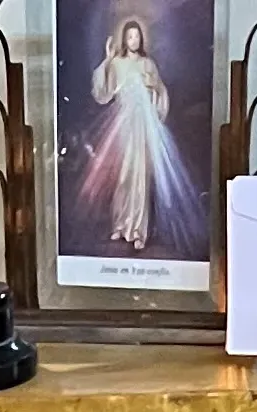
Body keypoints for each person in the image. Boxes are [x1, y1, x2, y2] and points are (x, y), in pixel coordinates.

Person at [90, 15, 172, 254]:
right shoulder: (116, 63)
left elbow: (161, 93)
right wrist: (106, 60)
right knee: (123, 175)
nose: (133, 39)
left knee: (140, 177)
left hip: (142, 126)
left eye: (137, 36)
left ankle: (138, 231)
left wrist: (154, 87)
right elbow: (102, 93)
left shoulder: (149, 65)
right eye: (129, 36)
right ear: (124, 39)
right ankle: (120, 224)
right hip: (122, 124)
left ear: (141, 38)